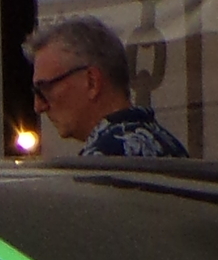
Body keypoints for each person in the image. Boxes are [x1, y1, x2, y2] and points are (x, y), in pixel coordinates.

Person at [25, 16, 187, 158]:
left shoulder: (103, 159)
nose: (38, 106)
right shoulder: (169, 144)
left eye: (45, 89)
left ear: (92, 82)